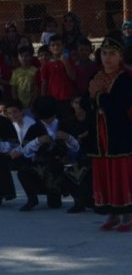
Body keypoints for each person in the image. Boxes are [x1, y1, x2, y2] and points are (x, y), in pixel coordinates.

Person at [87, 37, 132, 231]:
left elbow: (118, 106)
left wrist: (98, 96)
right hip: (100, 134)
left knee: (121, 171)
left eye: (112, 54)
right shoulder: (96, 77)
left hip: (120, 134)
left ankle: (128, 215)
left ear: (120, 56)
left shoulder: (125, 79)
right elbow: (87, 101)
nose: (107, 58)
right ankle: (112, 213)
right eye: (104, 53)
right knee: (105, 170)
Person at [16, 96, 80, 212]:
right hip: (41, 164)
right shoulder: (35, 128)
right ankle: (32, 199)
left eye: (50, 118)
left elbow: (77, 148)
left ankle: (77, 202)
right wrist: (37, 141)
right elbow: (25, 151)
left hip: (63, 163)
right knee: (23, 172)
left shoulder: (65, 124)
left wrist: (68, 138)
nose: (47, 121)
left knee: (73, 172)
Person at [40, 35, 76, 122]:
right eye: (53, 45)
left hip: (67, 98)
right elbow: (44, 83)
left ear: (63, 46)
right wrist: (43, 99)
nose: (56, 47)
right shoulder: (47, 65)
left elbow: (73, 77)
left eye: (58, 45)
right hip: (53, 99)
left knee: (68, 122)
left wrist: (65, 62)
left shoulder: (69, 60)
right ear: (49, 48)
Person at [10, 46, 39, 113]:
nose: (24, 58)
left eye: (26, 56)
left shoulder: (35, 71)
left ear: (31, 57)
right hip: (19, 104)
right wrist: (16, 103)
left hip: (32, 104)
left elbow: (36, 88)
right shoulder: (16, 72)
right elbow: (13, 89)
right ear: (18, 57)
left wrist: (33, 102)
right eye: (21, 56)